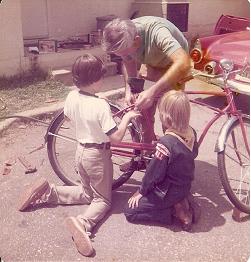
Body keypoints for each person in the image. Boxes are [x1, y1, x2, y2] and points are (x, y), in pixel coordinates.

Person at [18, 54, 140, 257]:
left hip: (80, 152)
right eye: (101, 77)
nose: (102, 80)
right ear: (94, 81)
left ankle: (49, 192)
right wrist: (126, 118)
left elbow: (67, 116)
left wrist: (89, 106)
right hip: (97, 156)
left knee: (86, 193)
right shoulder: (101, 106)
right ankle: (83, 223)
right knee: (102, 201)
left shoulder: (72, 96)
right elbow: (116, 137)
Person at [102, 16, 192, 145]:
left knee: (170, 117)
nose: (123, 56)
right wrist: (130, 90)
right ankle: (145, 156)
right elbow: (128, 60)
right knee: (142, 111)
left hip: (174, 66)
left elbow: (183, 62)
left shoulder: (158, 32)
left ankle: (171, 155)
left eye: (125, 52)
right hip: (151, 63)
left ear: (137, 41)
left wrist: (153, 91)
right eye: (119, 54)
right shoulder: (124, 35)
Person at [124, 90, 200, 231]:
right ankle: (184, 202)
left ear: (166, 117)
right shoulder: (191, 132)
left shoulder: (166, 144)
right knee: (174, 189)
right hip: (185, 184)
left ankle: (174, 212)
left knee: (130, 211)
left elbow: (154, 174)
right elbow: (192, 153)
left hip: (169, 190)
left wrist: (141, 191)